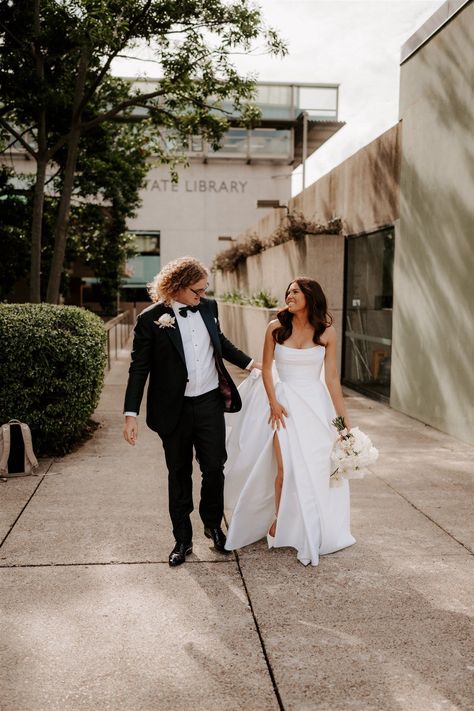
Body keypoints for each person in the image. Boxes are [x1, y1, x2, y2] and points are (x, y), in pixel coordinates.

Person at [123, 256, 258, 567]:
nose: (202, 295)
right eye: (197, 290)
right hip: (174, 409)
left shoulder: (209, 308)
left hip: (210, 402)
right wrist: (131, 413)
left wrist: (251, 364)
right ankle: (182, 538)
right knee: (179, 473)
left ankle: (212, 524)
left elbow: (220, 342)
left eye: (204, 289)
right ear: (178, 287)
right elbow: (138, 369)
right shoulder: (150, 320)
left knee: (214, 467)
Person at [224, 277, 356, 566]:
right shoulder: (275, 328)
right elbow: (267, 370)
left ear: (311, 296)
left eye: (295, 291)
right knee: (284, 468)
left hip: (315, 407)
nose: (289, 295)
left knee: (317, 468)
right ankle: (279, 521)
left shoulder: (327, 332)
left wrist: (342, 423)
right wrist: (273, 403)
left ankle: (317, 524)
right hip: (283, 407)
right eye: (288, 291)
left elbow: (332, 379)